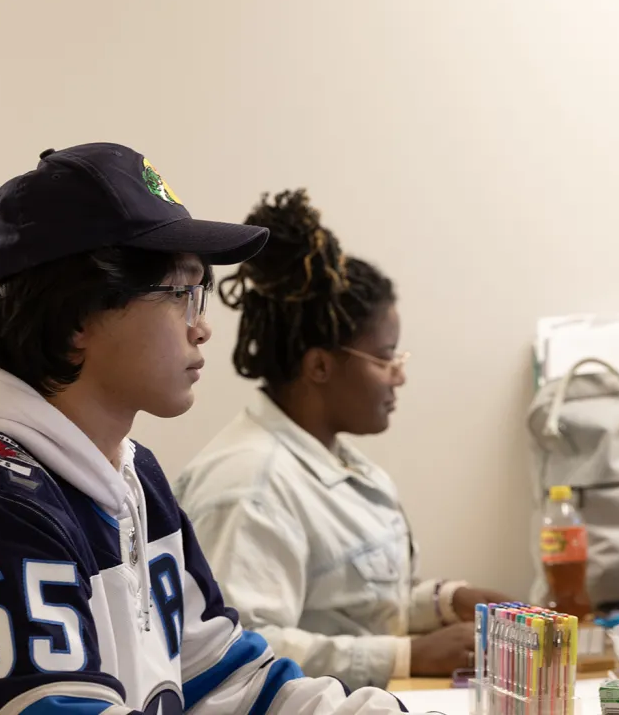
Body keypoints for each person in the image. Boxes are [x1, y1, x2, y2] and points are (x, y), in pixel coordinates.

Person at [0, 147, 415, 714]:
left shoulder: (130, 474)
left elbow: (227, 682)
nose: (201, 329)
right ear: (78, 317)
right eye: (181, 294)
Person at [175, 189, 513, 689]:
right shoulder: (250, 485)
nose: (399, 375)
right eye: (385, 357)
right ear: (320, 365)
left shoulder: (339, 462)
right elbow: (242, 648)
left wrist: (446, 601)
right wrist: (407, 654)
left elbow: (350, 608)